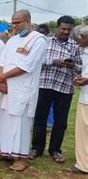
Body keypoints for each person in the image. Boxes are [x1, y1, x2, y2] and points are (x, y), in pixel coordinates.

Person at [0, 10, 47, 171]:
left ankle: (22, 158)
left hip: (23, 89)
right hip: (5, 87)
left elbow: (27, 66)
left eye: (18, 23)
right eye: (13, 23)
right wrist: (2, 79)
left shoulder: (38, 40)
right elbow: (2, 61)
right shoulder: (12, 40)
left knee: (20, 121)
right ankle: (3, 152)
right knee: (3, 119)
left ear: (28, 21)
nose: (14, 26)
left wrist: (4, 77)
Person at [30, 16, 80, 163]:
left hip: (64, 87)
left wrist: (72, 66)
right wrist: (52, 62)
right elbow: (35, 61)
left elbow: (80, 67)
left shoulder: (76, 46)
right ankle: (37, 148)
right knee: (40, 118)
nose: (65, 32)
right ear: (57, 27)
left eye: (68, 30)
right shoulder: (44, 42)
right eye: (63, 29)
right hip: (44, 85)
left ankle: (55, 150)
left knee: (60, 122)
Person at [72, 25, 88, 174]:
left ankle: (84, 165)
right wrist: (81, 78)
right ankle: (83, 164)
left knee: (84, 131)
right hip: (85, 96)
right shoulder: (85, 52)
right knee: (83, 131)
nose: (77, 44)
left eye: (78, 40)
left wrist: (87, 80)